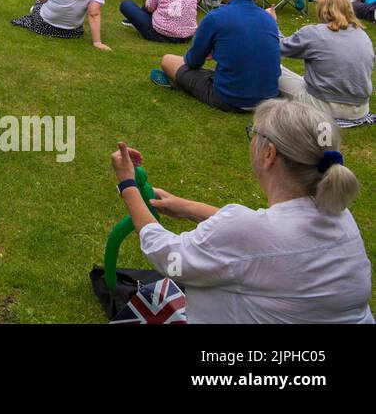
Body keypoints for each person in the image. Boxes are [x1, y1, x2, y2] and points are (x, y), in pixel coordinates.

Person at [109, 100, 371, 323]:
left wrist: (128, 185)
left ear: (269, 153)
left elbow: (167, 257)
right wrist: (188, 208)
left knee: (160, 294)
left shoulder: (246, 230)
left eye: (253, 134)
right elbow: (263, 240)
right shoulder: (339, 215)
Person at [153, 0, 281, 112]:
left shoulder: (216, 17)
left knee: (168, 60)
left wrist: (210, 50)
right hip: (268, 98)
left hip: (229, 98)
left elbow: (193, 61)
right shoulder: (269, 19)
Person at [274, 0, 373, 120]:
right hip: (360, 108)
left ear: (322, 8)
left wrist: (273, 23)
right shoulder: (362, 35)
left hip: (323, 105)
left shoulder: (313, 33)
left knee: (273, 67)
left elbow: (278, 47)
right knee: (304, 79)